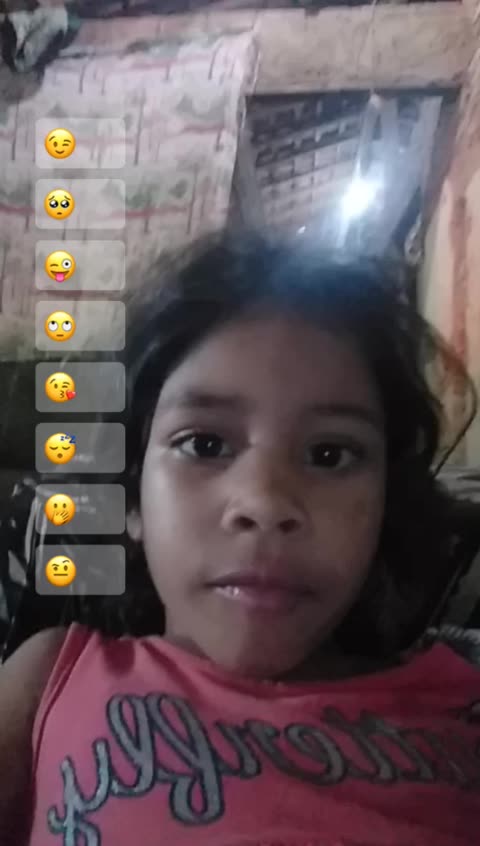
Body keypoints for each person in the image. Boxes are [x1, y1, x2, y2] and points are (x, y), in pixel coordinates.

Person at [1, 233, 479, 846]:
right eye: (204, 444)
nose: (264, 503)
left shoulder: (463, 702)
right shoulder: (49, 674)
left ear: (388, 498)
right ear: (132, 495)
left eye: (330, 454)